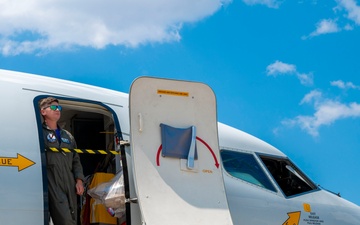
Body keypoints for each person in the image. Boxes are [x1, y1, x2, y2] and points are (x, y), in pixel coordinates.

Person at [40, 97, 85, 225]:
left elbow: (76, 160)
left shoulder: (67, 135)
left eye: (59, 107)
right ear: (43, 112)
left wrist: (79, 181)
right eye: (53, 107)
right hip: (52, 180)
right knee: (64, 218)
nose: (57, 110)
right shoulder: (40, 133)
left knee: (73, 217)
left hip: (69, 181)